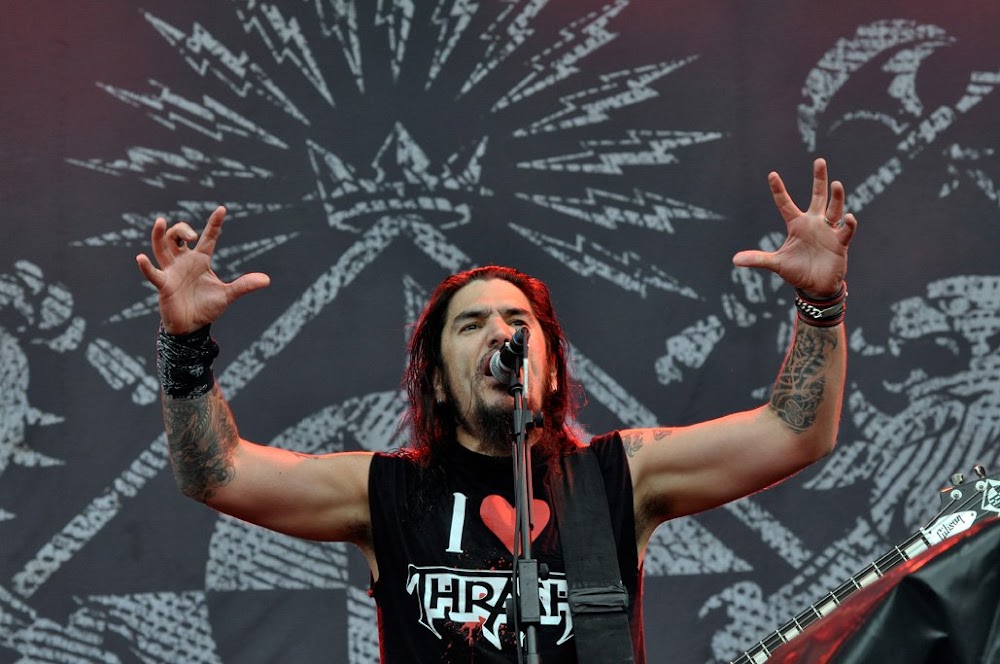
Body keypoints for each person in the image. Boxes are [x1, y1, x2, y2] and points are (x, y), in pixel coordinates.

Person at [136, 158, 858, 662]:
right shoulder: (388, 492)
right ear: (437, 381)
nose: (500, 334)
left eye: (518, 321)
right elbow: (216, 472)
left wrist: (820, 303)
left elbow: (794, 432)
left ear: (550, 368)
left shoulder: (617, 478)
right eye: (471, 324)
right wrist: (185, 344)